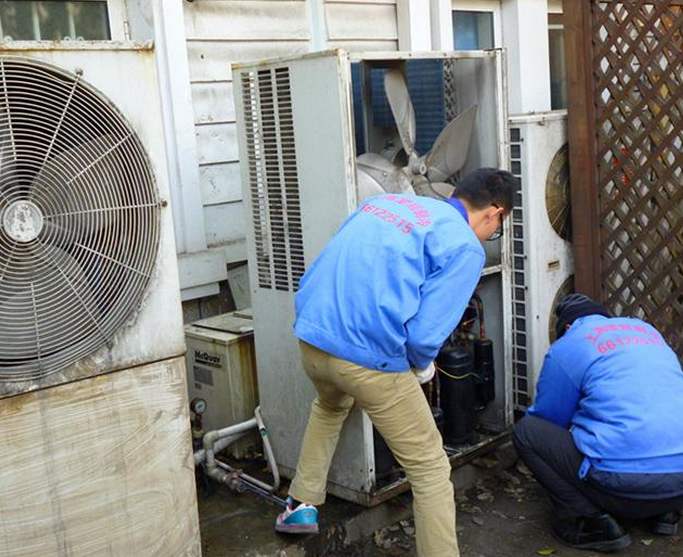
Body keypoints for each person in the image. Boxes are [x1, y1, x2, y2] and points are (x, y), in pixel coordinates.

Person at [273, 168, 517, 556]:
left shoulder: (382, 204)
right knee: (430, 468)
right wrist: (422, 365)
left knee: (330, 406)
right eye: (497, 229)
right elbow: (423, 337)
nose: (492, 235)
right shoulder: (465, 247)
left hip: (313, 339)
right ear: (495, 213)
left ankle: (300, 507)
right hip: (366, 360)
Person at [514, 293, 683, 553]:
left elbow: (549, 418)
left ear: (567, 327)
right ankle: (664, 514)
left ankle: (591, 521)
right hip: (678, 484)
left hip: (621, 485)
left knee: (527, 432)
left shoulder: (568, 345)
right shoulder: (645, 330)